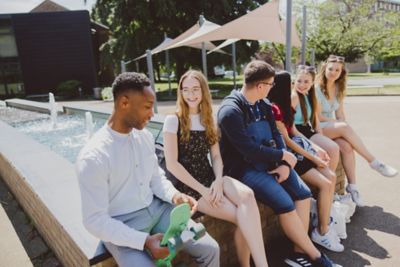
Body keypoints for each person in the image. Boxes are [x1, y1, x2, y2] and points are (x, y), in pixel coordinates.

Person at [76, 72, 219, 267]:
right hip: (122, 225)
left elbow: (156, 178)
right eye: (147, 107)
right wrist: (143, 241)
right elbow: (94, 220)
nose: (152, 114)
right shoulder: (93, 156)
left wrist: (175, 195)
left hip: (159, 211)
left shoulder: (145, 137)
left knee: (211, 249)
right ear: (124, 103)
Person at [218, 60, 341, 267]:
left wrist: (283, 162)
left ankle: (298, 252)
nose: (272, 88)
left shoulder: (264, 105)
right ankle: (318, 258)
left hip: (273, 162)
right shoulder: (231, 110)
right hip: (244, 169)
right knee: (285, 203)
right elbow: (248, 149)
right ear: (260, 86)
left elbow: (277, 135)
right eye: (270, 85)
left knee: (303, 193)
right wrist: (283, 157)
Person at [163, 70, 268, 267]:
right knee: (244, 218)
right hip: (190, 187)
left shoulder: (208, 118)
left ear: (203, 91)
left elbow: (216, 156)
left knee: (248, 196)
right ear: (181, 92)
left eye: (195, 89)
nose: (191, 94)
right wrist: (204, 190)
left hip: (211, 178)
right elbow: (172, 164)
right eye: (185, 90)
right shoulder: (173, 120)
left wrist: (218, 180)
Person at [267, 69, 343, 252]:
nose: (297, 86)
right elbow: (286, 141)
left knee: (331, 176)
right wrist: (313, 157)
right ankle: (322, 231)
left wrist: (315, 148)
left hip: (300, 150)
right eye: (294, 82)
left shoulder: (286, 105)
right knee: (325, 183)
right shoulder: (274, 108)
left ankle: (323, 220)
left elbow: (295, 131)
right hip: (290, 156)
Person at [316, 55, 398, 207]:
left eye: (337, 70)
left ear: (341, 72)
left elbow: (340, 114)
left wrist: (342, 127)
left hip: (332, 128)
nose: (333, 72)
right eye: (331, 69)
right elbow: (318, 116)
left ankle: (353, 187)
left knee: (347, 147)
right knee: (344, 127)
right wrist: (340, 125)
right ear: (324, 69)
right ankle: (374, 162)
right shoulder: (316, 88)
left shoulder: (338, 88)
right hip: (317, 127)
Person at [291, 66, 340, 173]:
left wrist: (321, 137)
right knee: (320, 152)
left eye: (306, 82)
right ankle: (324, 179)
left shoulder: (309, 96)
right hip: (296, 133)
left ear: (312, 83)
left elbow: (315, 119)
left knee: (334, 148)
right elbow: (289, 126)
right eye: (299, 81)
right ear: (295, 81)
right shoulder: (294, 97)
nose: (302, 85)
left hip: (307, 130)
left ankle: (329, 178)